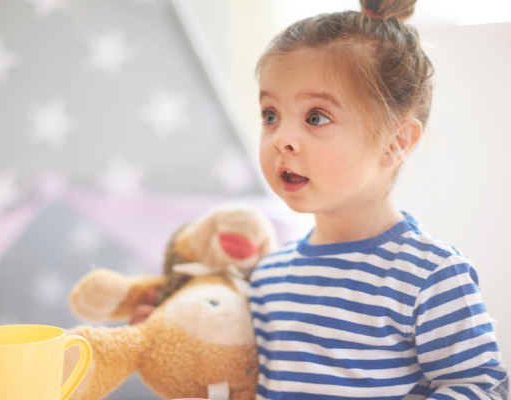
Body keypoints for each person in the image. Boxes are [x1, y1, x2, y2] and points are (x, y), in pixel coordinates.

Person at [132, 0, 509, 398]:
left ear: (396, 143)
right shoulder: (267, 278)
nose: (281, 138)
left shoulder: (431, 275)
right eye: (270, 114)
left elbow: (481, 386)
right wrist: (175, 351)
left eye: (316, 117)